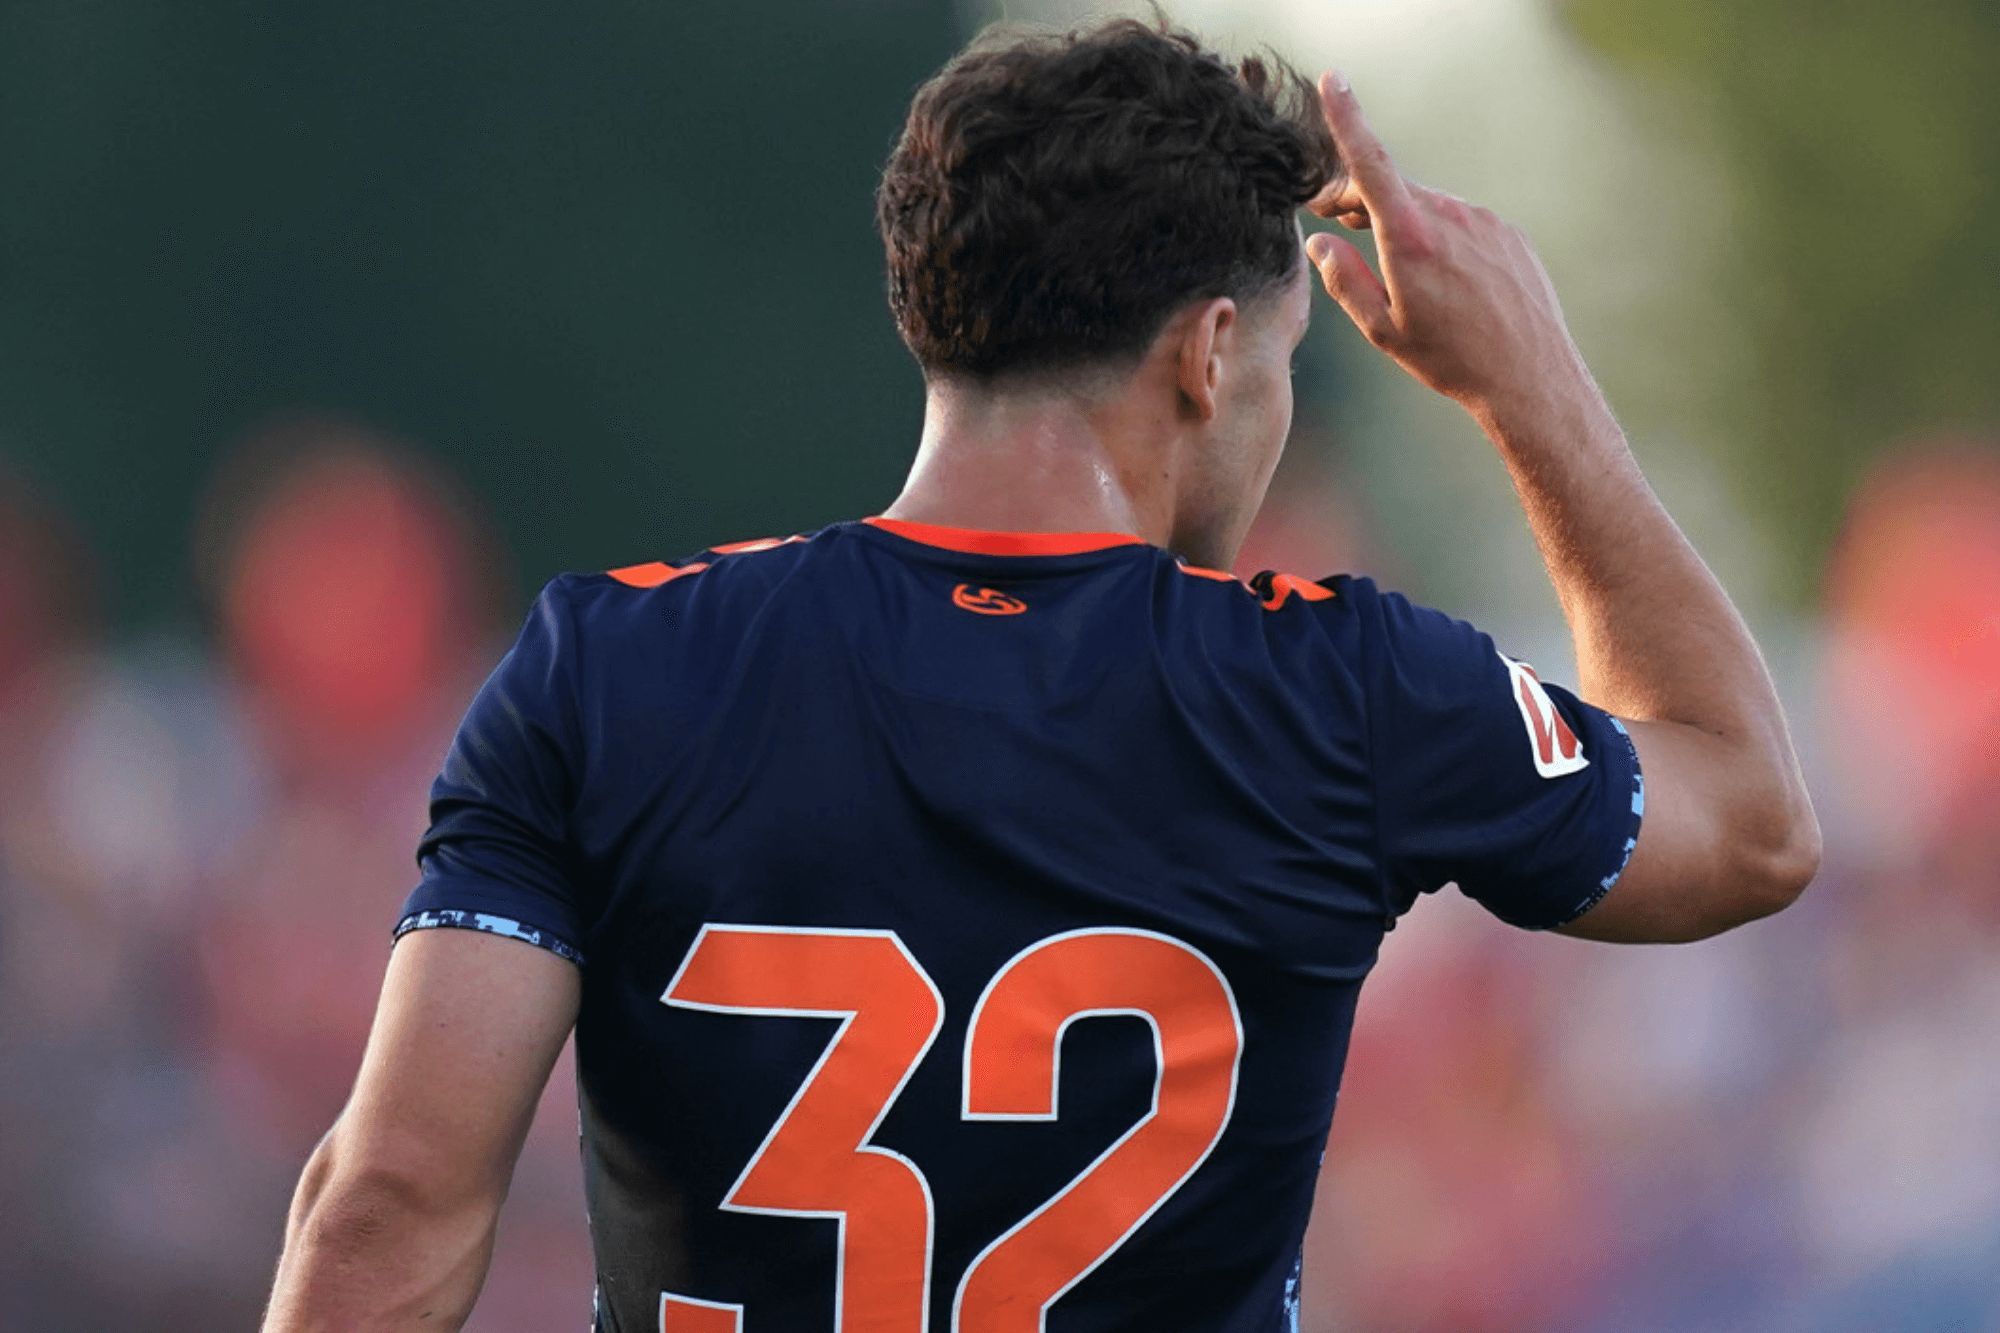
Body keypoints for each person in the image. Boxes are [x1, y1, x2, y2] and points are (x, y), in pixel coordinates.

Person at [263, 16, 1819, 1332]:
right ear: (1209, 353)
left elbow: (390, 1201)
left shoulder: (611, 660)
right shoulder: (1344, 686)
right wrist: (1531, 385)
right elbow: (1750, 820)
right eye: (1277, 364)